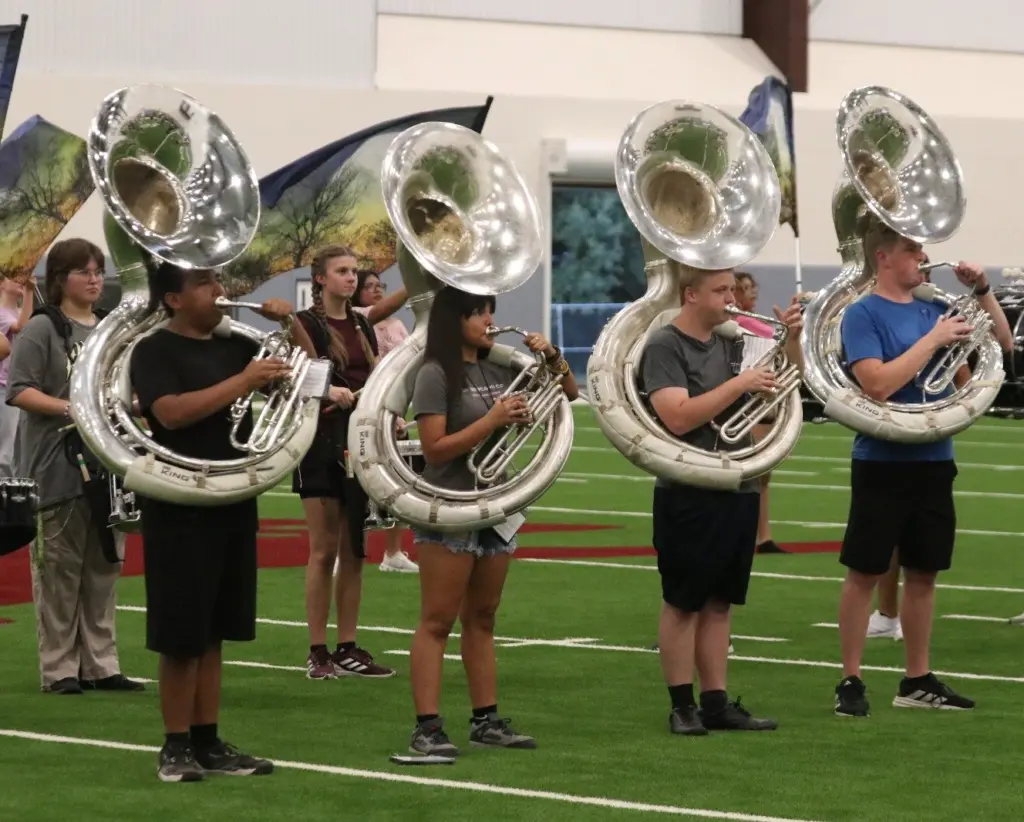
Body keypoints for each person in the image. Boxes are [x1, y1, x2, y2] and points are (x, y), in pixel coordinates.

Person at [130, 260, 313, 782]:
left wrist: (290, 325)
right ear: (174, 299)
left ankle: (207, 741)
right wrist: (243, 382)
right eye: (205, 283)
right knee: (181, 634)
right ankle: (174, 747)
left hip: (233, 497)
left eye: (218, 280)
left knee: (215, 632)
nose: (219, 290)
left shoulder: (234, 345)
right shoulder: (154, 349)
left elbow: (311, 372)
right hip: (180, 502)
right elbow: (169, 413)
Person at [833, 214, 1013, 718]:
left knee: (924, 572)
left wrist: (982, 291)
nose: (923, 258)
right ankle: (850, 679)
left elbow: (1002, 344)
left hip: (934, 457)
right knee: (865, 572)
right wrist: (933, 341)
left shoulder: (936, 307)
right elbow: (876, 384)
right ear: (883, 257)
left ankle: (917, 678)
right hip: (881, 460)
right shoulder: (862, 314)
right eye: (912, 250)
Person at [405, 285, 579, 757]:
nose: (489, 321)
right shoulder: (435, 373)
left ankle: (486, 719)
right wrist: (493, 420)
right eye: (478, 313)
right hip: (450, 505)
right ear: (453, 319)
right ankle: (426, 727)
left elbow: (569, 393)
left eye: (490, 312)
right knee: (437, 620)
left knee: (483, 617)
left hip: (497, 502)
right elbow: (434, 449)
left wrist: (553, 358)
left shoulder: (500, 365)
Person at [640, 263, 803, 736]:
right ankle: (681, 705)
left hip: (738, 482)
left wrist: (791, 340)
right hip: (688, 488)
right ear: (691, 295)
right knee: (683, 602)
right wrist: (739, 384)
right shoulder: (665, 345)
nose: (732, 299)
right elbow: (677, 417)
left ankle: (715, 701)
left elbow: (791, 379)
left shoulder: (735, 340)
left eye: (732, 289)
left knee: (720, 601)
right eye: (721, 290)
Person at [6, 239, 141, 696]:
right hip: (55, 465)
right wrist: (74, 409)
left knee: (104, 567)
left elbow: (124, 389)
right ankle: (60, 668)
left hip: (108, 465)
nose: (95, 279)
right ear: (61, 279)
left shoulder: (109, 329)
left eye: (99, 270)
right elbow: (19, 390)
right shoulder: (41, 329)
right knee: (59, 571)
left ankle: (101, 664)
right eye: (84, 271)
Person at [293, 246, 396, 680]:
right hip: (319, 442)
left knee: (355, 549)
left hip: (359, 441)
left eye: (354, 271)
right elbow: (292, 376)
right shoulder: (304, 323)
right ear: (320, 279)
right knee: (323, 550)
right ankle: (317, 650)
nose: (352, 278)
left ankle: (348, 646)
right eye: (342, 271)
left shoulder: (361, 323)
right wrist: (325, 391)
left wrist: (389, 412)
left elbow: (373, 379)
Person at [350, 268, 418, 573]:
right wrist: (418, 281)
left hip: (394, 410)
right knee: (360, 484)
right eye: (370, 286)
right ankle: (349, 551)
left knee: (400, 482)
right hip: (366, 409)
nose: (377, 290)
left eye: (381, 285)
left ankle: (394, 552)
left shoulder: (398, 325)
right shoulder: (357, 317)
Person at [733, 271, 782, 554]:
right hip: (750, 404)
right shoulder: (739, 323)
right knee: (753, 473)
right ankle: (751, 535)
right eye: (745, 288)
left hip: (766, 401)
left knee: (763, 476)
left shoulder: (753, 321)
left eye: (753, 287)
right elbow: (771, 336)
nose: (752, 292)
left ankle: (763, 536)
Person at [0, 274, 33, 477]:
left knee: (16, 449)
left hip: (18, 387)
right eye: (13, 278)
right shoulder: (1, 313)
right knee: (5, 451)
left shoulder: (20, 311)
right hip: (3, 386)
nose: (19, 281)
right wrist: (30, 291)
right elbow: (22, 328)